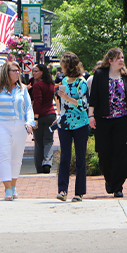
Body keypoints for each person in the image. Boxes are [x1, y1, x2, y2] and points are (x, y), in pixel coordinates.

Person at [89, 48, 127, 198]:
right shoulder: (100, 75)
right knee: (104, 152)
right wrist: (90, 116)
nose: (121, 60)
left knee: (121, 153)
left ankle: (118, 186)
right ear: (110, 60)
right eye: (118, 58)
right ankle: (109, 180)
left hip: (123, 120)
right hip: (103, 119)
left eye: (122, 57)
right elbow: (93, 97)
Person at [0, 61, 35, 201]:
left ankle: (14, 185)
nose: (18, 73)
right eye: (14, 70)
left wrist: (29, 122)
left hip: (20, 125)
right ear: (6, 73)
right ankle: (7, 188)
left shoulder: (22, 89)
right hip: (2, 125)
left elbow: (28, 108)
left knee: (16, 158)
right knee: (4, 155)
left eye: (18, 70)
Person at [55, 52, 89, 202]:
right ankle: (62, 190)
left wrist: (68, 98)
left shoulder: (82, 83)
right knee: (64, 157)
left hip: (80, 123)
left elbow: (84, 105)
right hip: (64, 124)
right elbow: (61, 103)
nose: (61, 67)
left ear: (69, 65)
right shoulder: (63, 80)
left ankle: (79, 192)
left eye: (63, 64)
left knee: (80, 158)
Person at [32, 64, 56, 173]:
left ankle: (39, 167)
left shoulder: (37, 85)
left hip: (40, 116)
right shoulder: (51, 84)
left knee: (38, 142)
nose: (34, 73)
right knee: (48, 140)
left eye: (36, 71)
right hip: (51, 115)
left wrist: (35, 118)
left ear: (42, 72)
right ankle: (47, 162)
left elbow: (38, 101)